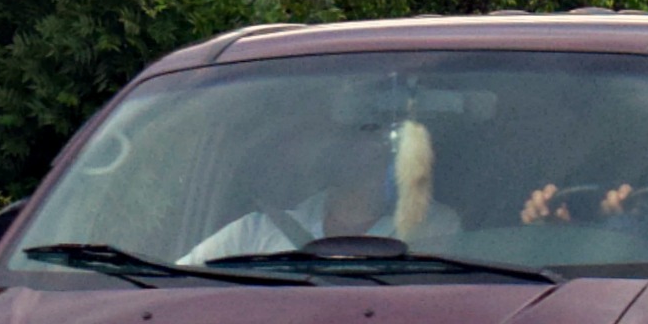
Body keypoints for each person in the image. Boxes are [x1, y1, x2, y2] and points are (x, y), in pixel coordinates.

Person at [183, 119, 461, 264]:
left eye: (371, 140)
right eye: (346, 140)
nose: (359, 151)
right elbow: (173, 285)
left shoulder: (432, 226)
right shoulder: (255, 232)